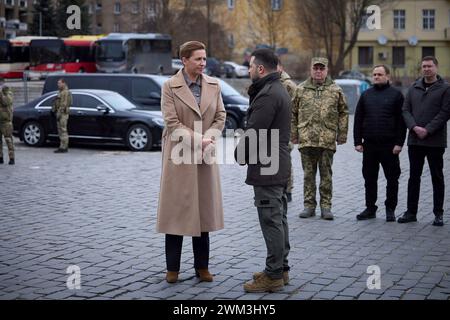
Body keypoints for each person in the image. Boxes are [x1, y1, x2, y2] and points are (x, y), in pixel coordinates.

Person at [157, 41, 226, 283]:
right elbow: (172, 124)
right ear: (184, 60)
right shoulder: (169, 86)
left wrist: (211, 137)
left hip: (204, 157)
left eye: (204, 59)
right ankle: (172, 268)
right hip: (179, 157)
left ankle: (202, 267)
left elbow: (220, 116)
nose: (203, 63)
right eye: (198, 59)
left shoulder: (214, 85)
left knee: (203, 215)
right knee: (175, 215)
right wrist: (200, 139)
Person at [235, 49, 291, 293]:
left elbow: (255, 132)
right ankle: (281, 268)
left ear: (260, 69)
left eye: (250, 67)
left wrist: (239, 154)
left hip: (269, 165)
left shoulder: (268, 94)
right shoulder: (276, 89)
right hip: (276, 162)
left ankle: (274, 275)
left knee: (271, 220)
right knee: (278, 217)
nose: (248, 71)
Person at [291, 57, 348, 220]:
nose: (318, 71)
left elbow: (343, 112)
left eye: (321, 69)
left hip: (327, 139)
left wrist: (342, 133)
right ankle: (309, 206)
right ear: (311, 70)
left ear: (326, 70)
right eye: (315, 68)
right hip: (307, 138)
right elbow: (292, 113)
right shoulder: (301, 89)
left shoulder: (335, 90)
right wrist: (294, 134)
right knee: (308, 175)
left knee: (326, 175)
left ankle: (326, 206)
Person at [399, 56, 450, 226]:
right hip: (415, 140)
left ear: (436, 67)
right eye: (424, 66)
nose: (426, 69)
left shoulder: (445, 89)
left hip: (435, 141)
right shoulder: (413, 88)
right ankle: (411, 212)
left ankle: (438, 214)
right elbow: (405, 110)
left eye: (429, 66)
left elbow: (445, 113)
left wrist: (427, 129)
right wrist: (414, 128)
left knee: (437, 177)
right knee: (414, 177)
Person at [353, 65, 406, 222]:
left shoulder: (396, 95)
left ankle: (390, 209)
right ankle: (370, 208)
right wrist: (357, 141)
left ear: (387, 76)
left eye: (380, 74)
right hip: (369, 145)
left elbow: (401, 122)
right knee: (369, 178)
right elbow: (358, 119)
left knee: (392, 179)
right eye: (374, 74)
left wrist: (399, 143)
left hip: (389, 146)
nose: (376, 77)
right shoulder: (366, 95)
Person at [278, 62, 296, 203]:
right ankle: (278, 188)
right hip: (274, 129)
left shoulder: (289, 85)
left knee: (285, 160)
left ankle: (288, 189)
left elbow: (296, 109)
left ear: (281, 67)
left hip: (286, 129)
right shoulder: (271, 82)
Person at [52, 79, 72, 153]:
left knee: (63, 130)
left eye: (59, 83)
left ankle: (64, 147)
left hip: (63, 114)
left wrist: (59, 113)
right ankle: (62, 146)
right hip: (60, 113)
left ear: (64, 83)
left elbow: (64, 104)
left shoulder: (65, 92)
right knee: (60, 130)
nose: (58, 85)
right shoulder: (61, 92)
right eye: (58, 83)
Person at [0, 77, 14, 165]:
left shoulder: (8, 93)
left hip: (6, 121)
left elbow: (5, 102)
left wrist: (1, 92)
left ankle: (11, 158)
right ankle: (0, 157)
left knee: (8, 140)